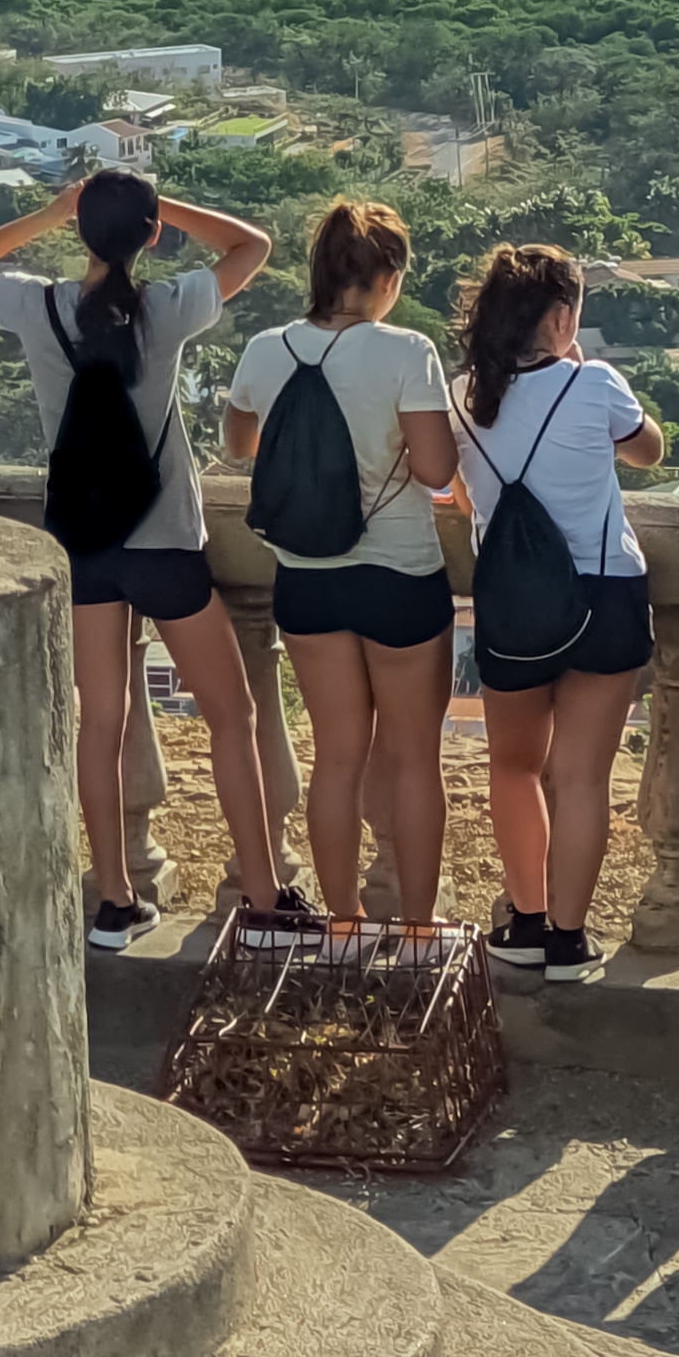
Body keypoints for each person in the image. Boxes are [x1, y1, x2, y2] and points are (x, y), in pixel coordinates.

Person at [0, 172, 299, 953]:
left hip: (84, 545)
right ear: (150, 238)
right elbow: (253, 246)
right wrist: (162, 208)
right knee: (232, 717)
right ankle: (268, 900)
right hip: (164, 538)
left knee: (99, 722)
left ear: (79, 233)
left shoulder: (40, 307)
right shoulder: (166, 309)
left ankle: (113, 900)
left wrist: (49, 212)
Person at [224, 199, 457, 932]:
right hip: (399, 574)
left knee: (335, 758)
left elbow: (239, 444)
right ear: (387, 276)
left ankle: (344, 924)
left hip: (307, 577)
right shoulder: (406, 351)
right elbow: (435, 468)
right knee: (416, 761)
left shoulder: (266, 348)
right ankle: (418, 931)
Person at [449, 244, 662, 984]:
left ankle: (526, 920)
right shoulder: (595, 382)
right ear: (563, 315)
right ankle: (568, 940)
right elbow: (647, 453)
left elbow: (455, 489)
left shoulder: (462, 396)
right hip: (604, 593)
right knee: (579, 777)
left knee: (512, 767)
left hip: (510, 598)